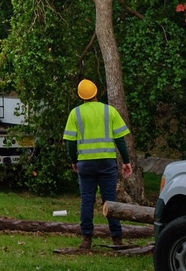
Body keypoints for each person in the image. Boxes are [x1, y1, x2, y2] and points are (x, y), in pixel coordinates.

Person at [63, 79, 133, 249]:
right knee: (110, 200)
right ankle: (117, 238)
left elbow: (71, 143)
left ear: (81, 96)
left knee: (87, 199)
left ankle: (87, 238)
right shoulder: (109, 111)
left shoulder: (76, 113)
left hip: (85, 164)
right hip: (106, 163)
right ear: (96, 92)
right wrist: (126, 161)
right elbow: (120, 140)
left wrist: (74, 161)